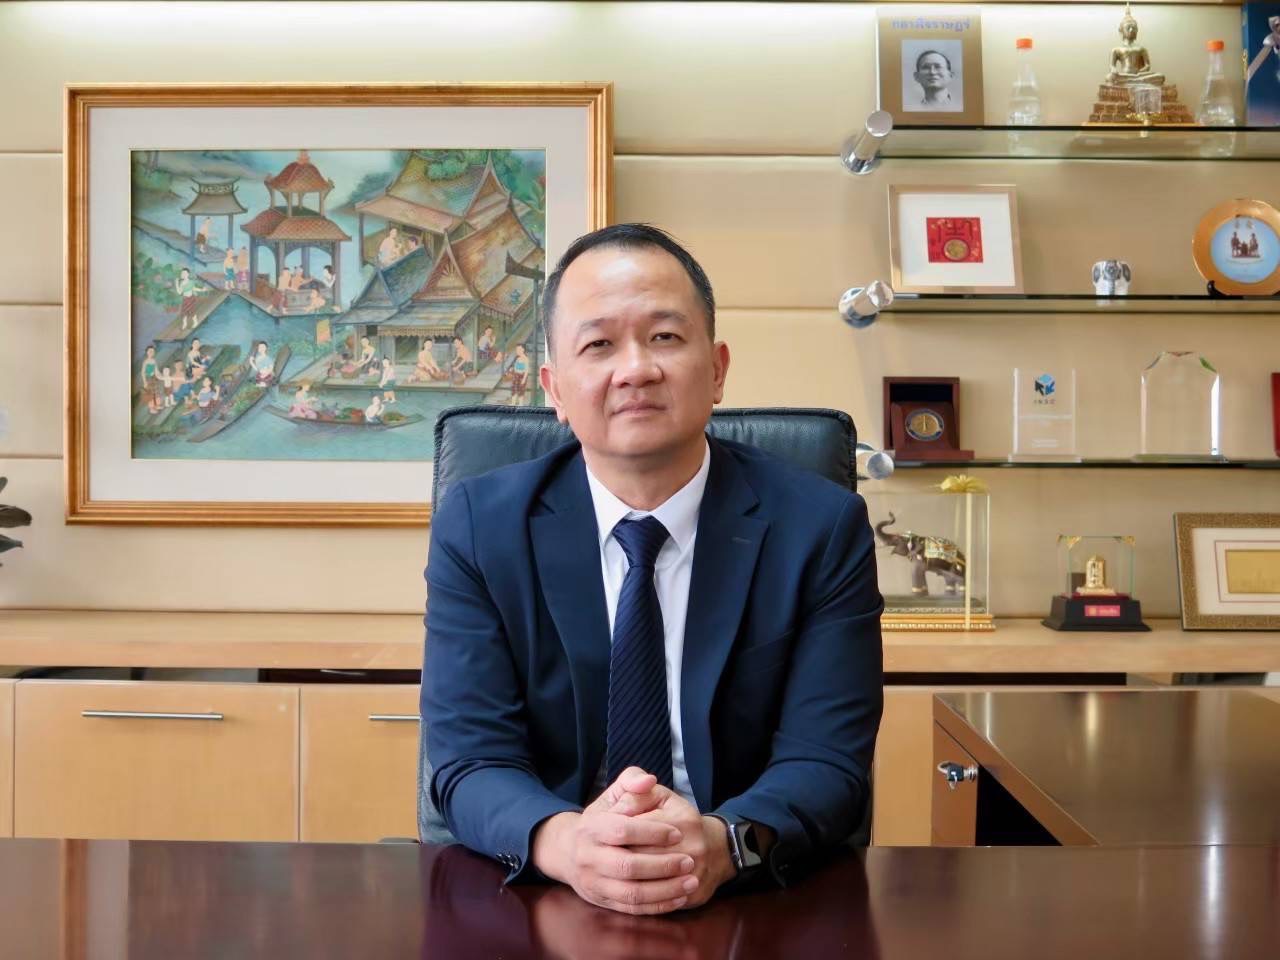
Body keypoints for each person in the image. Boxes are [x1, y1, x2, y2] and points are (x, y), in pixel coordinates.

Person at [421, 223, 883, 916]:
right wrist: (570, 845)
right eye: (599, 345)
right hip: (544, 893)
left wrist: (721, 846)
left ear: (718, 369)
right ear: (554, 388)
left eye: (665, 336)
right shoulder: (481, 527)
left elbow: (827, 761)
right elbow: (469, 757)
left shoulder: (820, 527)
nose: (635, 369)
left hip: (748, 892)